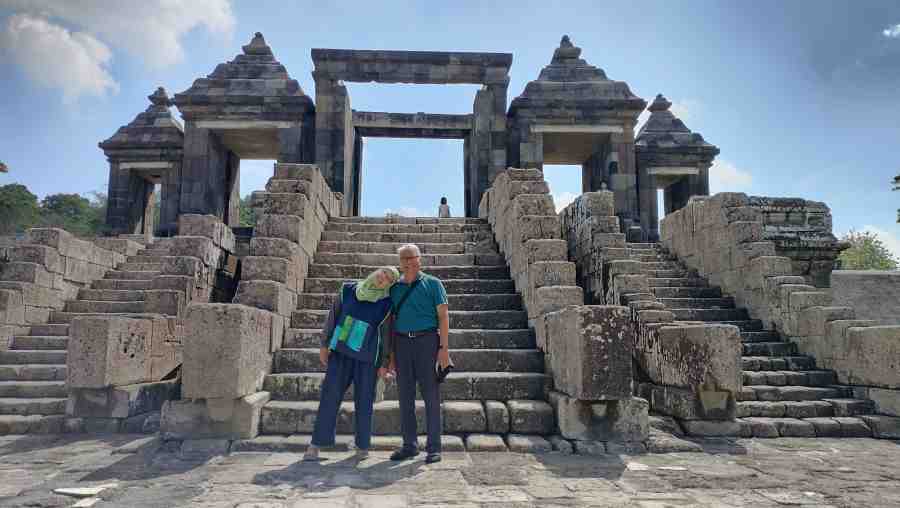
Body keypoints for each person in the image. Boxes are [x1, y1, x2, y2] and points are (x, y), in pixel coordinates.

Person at [303, 266, 400, 461]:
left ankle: (362, 447)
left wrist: (385, 362)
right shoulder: (348, 289)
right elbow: (333, 316)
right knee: (329, 397)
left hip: (368, 358)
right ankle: (315, 445)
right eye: (384, 273)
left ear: (391, 285)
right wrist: (324, 343)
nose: (384, 279)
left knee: (364, 402)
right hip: (340, 352)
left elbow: (387, 334)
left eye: (390, 279)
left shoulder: (388, 303)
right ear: (377, 271)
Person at [386, 244, 452, 464]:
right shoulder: (394, 289)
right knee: (405, 398)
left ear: (419, 259)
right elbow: (391, 322)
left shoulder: (433, 284)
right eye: (403, 258)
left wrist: (444, 350)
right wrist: (392, 355)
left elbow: (443, 317)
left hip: (427, 342)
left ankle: (434, 447)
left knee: (431, 397)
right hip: (402, 343)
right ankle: (409, 445)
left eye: (410, 257)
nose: (406, 262)